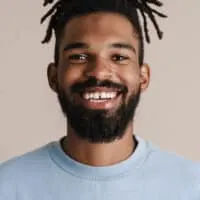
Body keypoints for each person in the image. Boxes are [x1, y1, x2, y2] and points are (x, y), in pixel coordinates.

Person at [0, 0, 199, 199]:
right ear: (53, 76)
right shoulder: (7, 185)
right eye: (79, 57)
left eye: (119, 57)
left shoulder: (192, 186)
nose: (99, 72)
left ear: (143, 77)